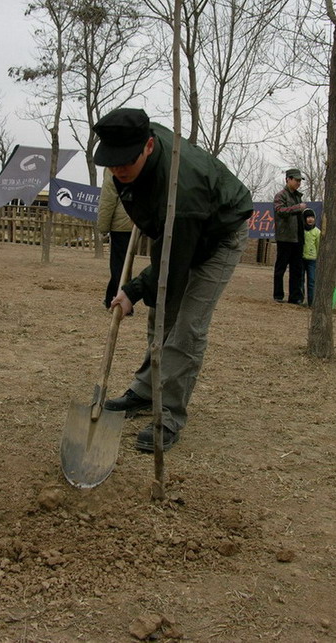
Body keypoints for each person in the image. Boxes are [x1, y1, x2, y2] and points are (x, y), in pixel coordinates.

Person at [92, 108, 253, 452]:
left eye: (125, 163)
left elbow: (173, 265)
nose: (118, 171)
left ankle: (169, 412)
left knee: (186, 326)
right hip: (180, 229)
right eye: (111, 163)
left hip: (219, 232)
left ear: (148, 147)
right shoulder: (131, 153)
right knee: (160, 311)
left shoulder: (183, 189)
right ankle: (146, 390)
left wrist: (132, 290)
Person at [97, 167, 134, 309]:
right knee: (126, 264)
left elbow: (108, 198)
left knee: (119, 266)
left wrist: (103, 227)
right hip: (136, 221)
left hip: (121, 224)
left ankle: (119, 302)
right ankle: (110, 299)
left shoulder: (113, 168)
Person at [272, 168, 307, 305]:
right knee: (281, 268)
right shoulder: (280, 195)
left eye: (300, 180)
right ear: (288, 179)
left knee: (297, 269)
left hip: (298, 238)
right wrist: (297, 208)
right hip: (285, 238)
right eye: (296, 180)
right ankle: (278, 295)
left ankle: (295, 297)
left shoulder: (298, 196)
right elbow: (280, 211)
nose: (298, 183)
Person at [301, 208, 320, 307]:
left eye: (312, 217)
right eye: (308, 217)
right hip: (301, 258)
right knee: (300, 280)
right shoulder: (301, 230)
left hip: (312, 260)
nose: (310, 219)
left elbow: (318, 245)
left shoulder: (317, 232)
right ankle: (300, 299)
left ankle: (311, 302)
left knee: (311, 281)